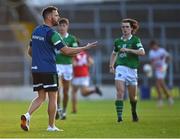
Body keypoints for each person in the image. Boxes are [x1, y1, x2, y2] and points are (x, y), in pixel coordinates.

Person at [20, 6, 97, 132]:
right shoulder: (52, 34)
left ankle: (27, 115)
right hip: (49, 69)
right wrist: (84, 48)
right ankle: (51, 126)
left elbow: (29, 51)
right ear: (49, 17)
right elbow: (66, 51)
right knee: (53, 98)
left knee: (41, 97)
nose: (58, 17)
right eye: (56, 15)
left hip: (36, 69)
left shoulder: (36, 30)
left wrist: (40, 58)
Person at [109, 18, 145, 122]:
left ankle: (133, 111)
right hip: (120, 68)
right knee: (120, 92)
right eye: (123, 27)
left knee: (133, 97)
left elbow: (142, 52)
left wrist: (128, 50)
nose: (125, 29)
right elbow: (114, 53)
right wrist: (111, 65)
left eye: (127, 27)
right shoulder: (118, 41)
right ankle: (119, 117)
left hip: (132, 70)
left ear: (131, 28)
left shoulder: (135, 40)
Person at [55, 18, 78, 120]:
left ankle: (64, 111)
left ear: (67, 27)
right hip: (57, 65)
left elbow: (75, 52)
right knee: (57, 88)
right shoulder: (55, 37)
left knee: (66, 91)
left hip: (68, 66)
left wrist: (66, 51)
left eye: (64, 25)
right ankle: (57, 108)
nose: (61, 27)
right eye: (60, 25)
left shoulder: (72, 39)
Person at [71, 49, 102, 113]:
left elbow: (73, 64)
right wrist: (85, 66)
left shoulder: (73, 53)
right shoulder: (84, 53)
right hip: (85, 74)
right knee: (83, 93)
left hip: (77, 75)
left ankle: (74, 109)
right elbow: (92, 62)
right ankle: (94, 90)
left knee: (74, 92)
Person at [148, 40, 174, 107]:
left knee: (158, 83)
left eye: (153, 46)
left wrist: (166, 64)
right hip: (157, 69)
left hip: (162, 68)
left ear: (156, 45)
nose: (153, 47)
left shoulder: (162, 51)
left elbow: (169, 57)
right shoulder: (151, 53)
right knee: (161, 84)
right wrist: (150, 68)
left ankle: (160, 100)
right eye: (152, 46)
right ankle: (169, 97)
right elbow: (152, 62)